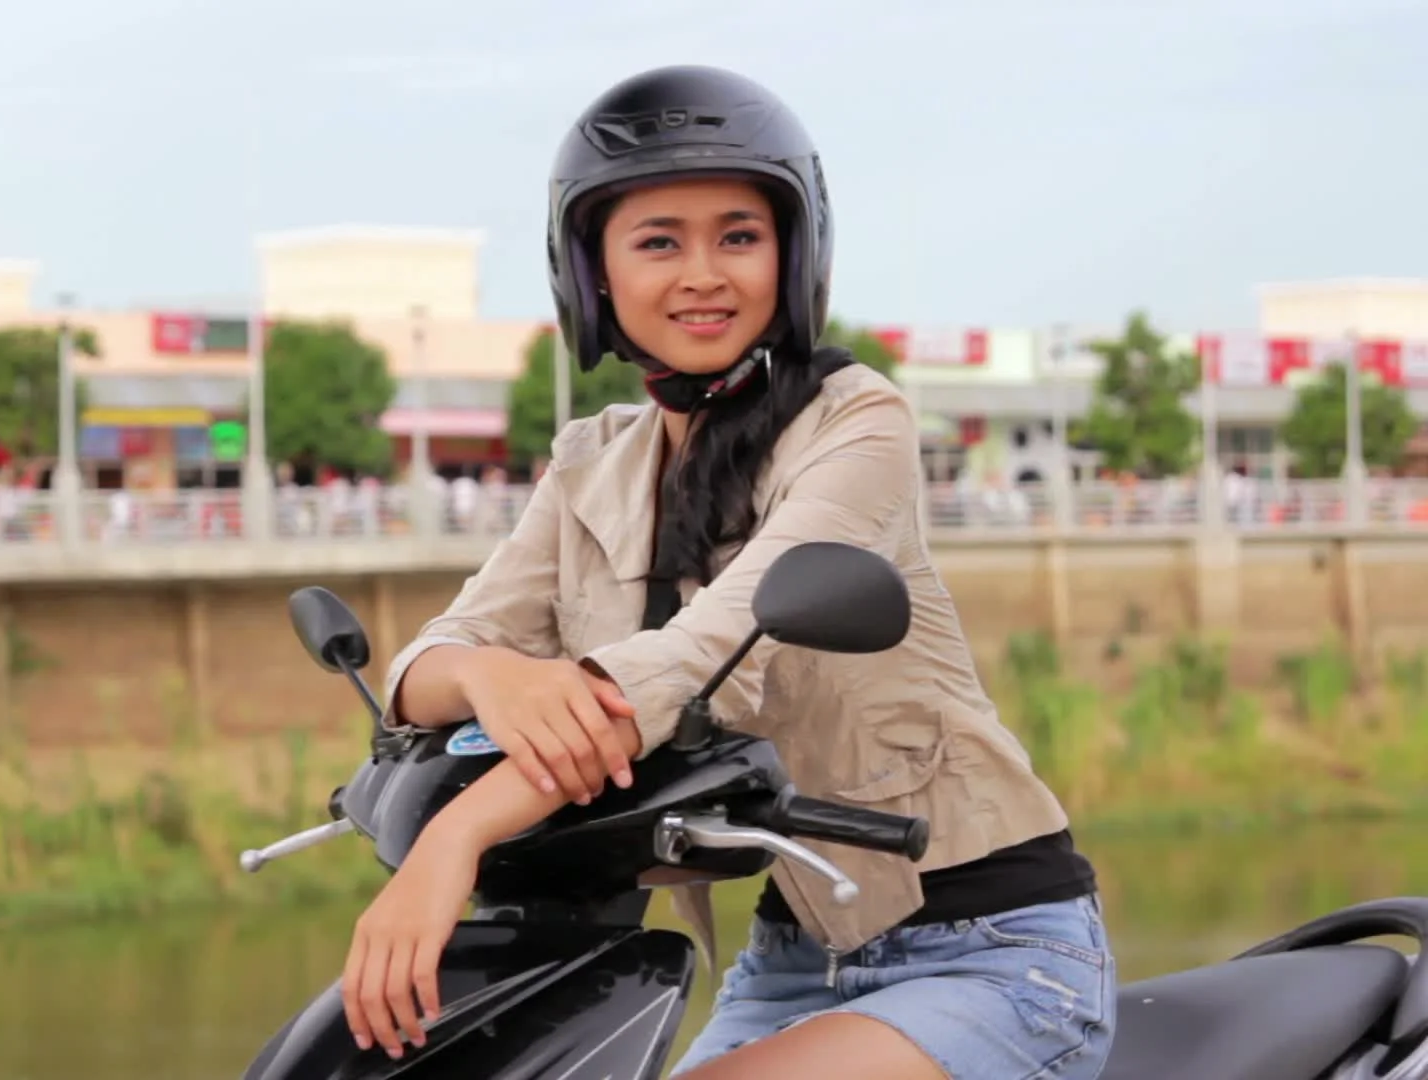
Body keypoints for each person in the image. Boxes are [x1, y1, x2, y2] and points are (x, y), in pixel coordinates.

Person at [338, 65, 1116, 1079]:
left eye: (738, 236)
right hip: (793, 958)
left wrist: (457, 842)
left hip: (990, 954)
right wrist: (497, 676)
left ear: (792, 257)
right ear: (594, 273)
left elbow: (707, 659)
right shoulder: (591, 460)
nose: (703, 272)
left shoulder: (857, 423)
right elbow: (429, 663)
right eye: (659, 240)